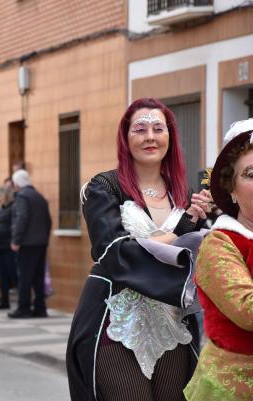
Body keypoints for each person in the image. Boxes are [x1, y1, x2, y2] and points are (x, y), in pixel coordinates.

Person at [66, 98, 212, 401]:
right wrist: (177, 234)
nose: (150, 137)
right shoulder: (103, 187)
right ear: (125, 137)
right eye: (140, 129)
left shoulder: (184, 192)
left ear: (170, 136)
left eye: (158, 128)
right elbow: (113, 251)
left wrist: (198, 221)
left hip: (172, 324)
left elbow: (190, 255)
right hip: (116, 321)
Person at [183, 119, 253, 401]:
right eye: (251, 173)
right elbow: (247, 311)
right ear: (231, 190)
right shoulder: (220, 242)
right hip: (234, 387)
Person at [8, 169, 52, 318]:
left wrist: (16, 240)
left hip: (26, 244)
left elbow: (22, 218)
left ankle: (23, 308)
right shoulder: (39, 196)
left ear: (17, 184)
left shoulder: (22, 196)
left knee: (25, 277)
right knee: (38, 277)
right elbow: (48, 220)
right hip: (41, 243)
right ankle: (40, 308)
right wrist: (44, 239)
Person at [0, 184, 17, 310]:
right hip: (0, 245)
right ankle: (4, 301)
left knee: (12, 273)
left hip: (8, 246)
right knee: (3, 275)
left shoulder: (12, 208)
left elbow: (12, 226)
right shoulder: (3, 209)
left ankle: (24, 300)